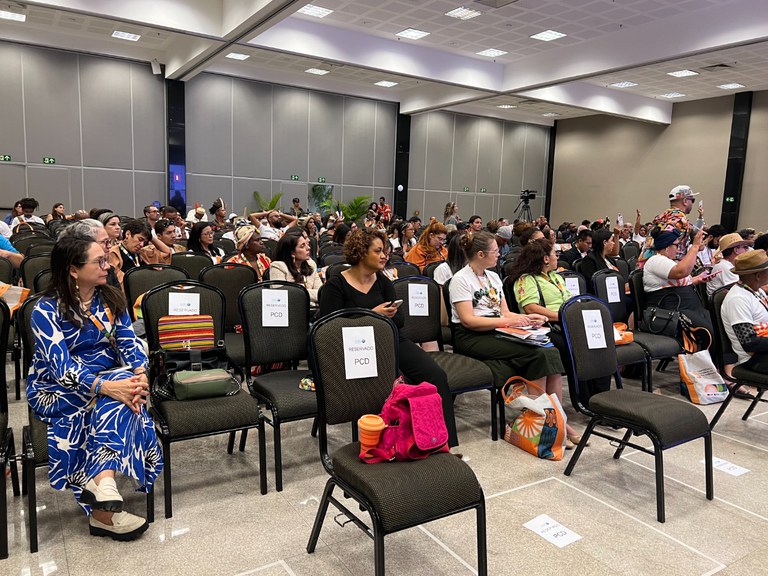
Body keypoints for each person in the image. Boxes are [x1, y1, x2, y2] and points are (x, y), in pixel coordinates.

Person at [27, 235, 161, 541]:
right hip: (57, 387)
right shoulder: (45, 310)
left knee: (123, 393)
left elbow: (129, 341)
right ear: (73, 269)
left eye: (107, 258)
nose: (107, 265)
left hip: (108, 376)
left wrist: (140, 373)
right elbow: (60, 369)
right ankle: (104, 504)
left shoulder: (111, 299)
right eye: (99, 261)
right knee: (118, 398)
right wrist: (108, 386)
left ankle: (102, 491)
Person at [318, 228, 459, 448]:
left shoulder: (383, 282)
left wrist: (390, 313)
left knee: (435, 376)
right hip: (354, 349)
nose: (385, 255)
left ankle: (443, 443)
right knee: (384, 388)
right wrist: (373, 314)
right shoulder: (336, 285)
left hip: (390, 341)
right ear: (361, 252)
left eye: (385, 251)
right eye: (378, 251)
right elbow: (329, 330)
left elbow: (400, 320)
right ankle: (392, 439)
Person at [448, 232, 580, 447]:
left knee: (548, 350)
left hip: (497, 330)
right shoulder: (461, 280)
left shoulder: (493, 277)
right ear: (480, 254)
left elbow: (506, 313)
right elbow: (469, 320)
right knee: (537, 353)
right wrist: (509, 323)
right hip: (472, 336)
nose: (499, 254)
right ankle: (549, 421)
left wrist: (527, 318)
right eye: (495, 251)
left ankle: (555, 419)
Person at [642, 228, 715, 333]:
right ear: (667, 247)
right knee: (705, 330)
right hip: (669, 312)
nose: (678, 249)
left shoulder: (669, 262)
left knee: (711, 320)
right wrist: (694, 247)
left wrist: (698, 279)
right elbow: (681, 272)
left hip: (685, 308)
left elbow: (681, 281)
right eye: (676, 245)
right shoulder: (655, 260)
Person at [721, 250, 768, 389]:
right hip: (754, 359)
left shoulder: (755, 291)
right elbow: (749, 342)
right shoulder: (738, 299)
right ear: (758, 275)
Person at [639, 185, 705, 267]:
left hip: (648, 264)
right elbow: (675, 255)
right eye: (692, 200)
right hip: (666, 270)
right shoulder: (680, 221)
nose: (692, 203)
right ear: (685, 201)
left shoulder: (661, 217)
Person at [269, 232, 323, 305]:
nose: (308, 248)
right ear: (292, 253)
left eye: (307, 244)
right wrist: (311, 294)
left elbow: (321, 292)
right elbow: (282, 295)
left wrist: (298, 292)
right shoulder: (278, 267)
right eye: (302, 246)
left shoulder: (311, 264)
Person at [108, 219, 151, 286]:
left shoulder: (141, 252)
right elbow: (118, 283)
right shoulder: (113, 253)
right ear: (128, 234)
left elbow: (166, 252)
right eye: (140, 239)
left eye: (144, 242)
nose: (142, 245)